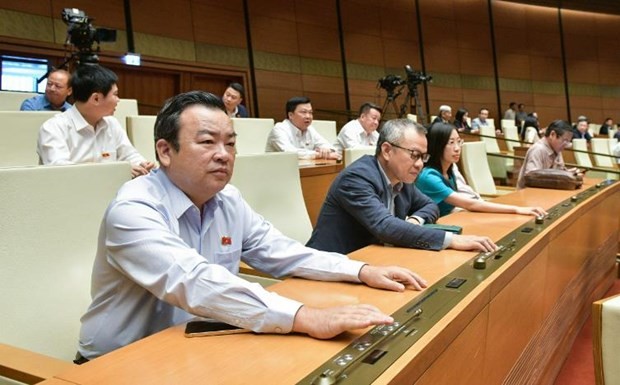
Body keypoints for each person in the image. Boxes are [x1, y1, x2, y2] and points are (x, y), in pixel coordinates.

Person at [76, 91, 427, 361]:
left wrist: (361, 270)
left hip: (197, 347)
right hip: (116, 364)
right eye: (207, 142)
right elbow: (194, 282)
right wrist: (306, 317)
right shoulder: (134, 208)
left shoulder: (228, 199)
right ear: (165, 151)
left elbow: (283, 252)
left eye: (230, 143)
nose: (224, 154)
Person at [306, 118, 498, 255]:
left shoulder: (401, 178)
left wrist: (414, 220)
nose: (420, 164)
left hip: (375, 260)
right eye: (414, 154)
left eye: (424, 157)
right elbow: (384, 226)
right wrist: (451, 240)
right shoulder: (357, 178)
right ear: (387, 150)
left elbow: (430, 206)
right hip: (333, 264)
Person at [37, 64, 154, 178]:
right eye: (115, 94)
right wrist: (118, 171)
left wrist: (141, 164)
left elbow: (129, 155)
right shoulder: (53, 128)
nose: (118, 100)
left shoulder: (112, 124)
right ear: (96, 99)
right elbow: (62, 173)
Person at [415, 123, 546, 217]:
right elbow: (470, 204)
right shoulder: (429, 177)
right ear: (437, 146)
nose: (457, 148)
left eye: (459, 141)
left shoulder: (449, 171)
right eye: (451, 143)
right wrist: (517, 210)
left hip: (451, 221)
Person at [265, 96, 340, 160]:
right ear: (291, 115)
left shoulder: (310, 129)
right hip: (277, 172)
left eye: (310, 112)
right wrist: (319, 154)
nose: (308, 116)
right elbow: (290, 153)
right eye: (303, 112)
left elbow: (328, 146)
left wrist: (327, 150)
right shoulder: (279, 129)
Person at [516, 120, 581, 190]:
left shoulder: (557, 149)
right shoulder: (538, 149)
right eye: (565, 140)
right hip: (529, 194)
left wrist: (568, 174)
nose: (567, 145)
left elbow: (559, 170)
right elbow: (531, 177)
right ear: (552, 134)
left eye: (568, 141)